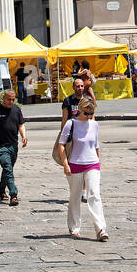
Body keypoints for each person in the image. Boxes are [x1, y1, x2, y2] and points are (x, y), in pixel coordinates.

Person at [57, 93, 108, 241]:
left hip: (92, 163)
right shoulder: (71, 124)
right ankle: (74, 227)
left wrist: (98, 161)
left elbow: (96, 144)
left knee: (94, 195)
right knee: (75, 197)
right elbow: (61, 144)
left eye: (92, 113)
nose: (89, 116)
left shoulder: (94, 124)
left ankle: (100, 229)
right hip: (75, 164)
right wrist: (65, 164)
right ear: (79, 109)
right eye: (86, 113)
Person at [0, 89, 27, 206]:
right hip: (1, 146)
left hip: (13, 145)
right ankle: (14, 194)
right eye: (9, 99)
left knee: (8, 170)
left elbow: (21, 125)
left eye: (13, 99)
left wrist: (24, 136)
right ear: (3, 98)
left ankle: (1, 190)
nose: (11, 102)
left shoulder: (16, 109)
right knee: (7, 168)